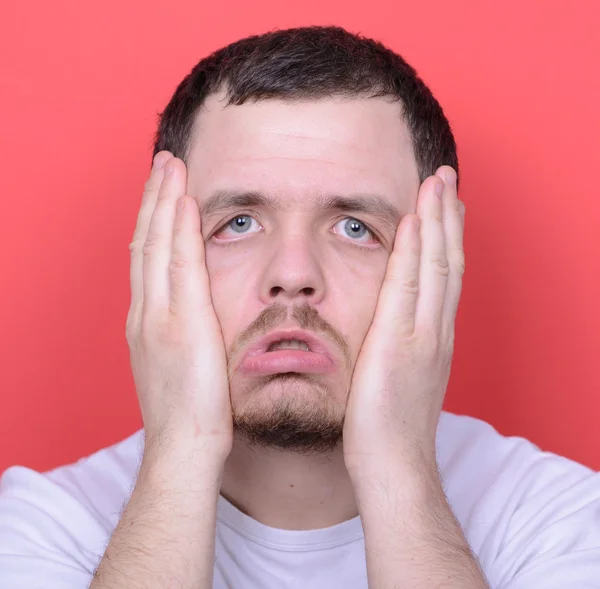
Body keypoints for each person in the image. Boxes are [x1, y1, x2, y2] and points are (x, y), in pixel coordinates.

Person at [0, 25, 598, 589]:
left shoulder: (558, 520)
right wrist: (181, 452)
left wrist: (397, 466)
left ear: (439, 257)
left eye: (355, 227)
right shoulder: (40, 527)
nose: (292, 276)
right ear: (160, 252)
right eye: (238, 222)